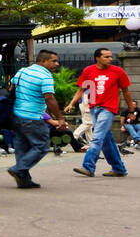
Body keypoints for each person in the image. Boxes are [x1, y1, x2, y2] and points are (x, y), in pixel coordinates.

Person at [65, 47, 134, 179]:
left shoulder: (118, 71)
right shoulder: (88, 70)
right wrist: (71, 103)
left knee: (97, 138)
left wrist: (131, 110)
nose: (110, 59)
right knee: (106, 139)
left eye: (110, 56)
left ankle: (88, 167)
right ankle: (118, 168)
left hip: (108, 109)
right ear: (97, 58)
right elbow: (81, 89)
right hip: (94, 108)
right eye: (106, 57)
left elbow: (126, 92)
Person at [7, 49, 68, 189]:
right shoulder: (45, 76)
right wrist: (60, 118)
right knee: (42, 146)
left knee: (22, 148)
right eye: (53, 61)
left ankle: (24, 181)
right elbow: (49, 97)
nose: (57, 64)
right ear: (43, 61)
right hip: (33, 117)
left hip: (17, 114)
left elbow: (12, 88)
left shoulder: (22, 71)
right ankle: (18, 169)